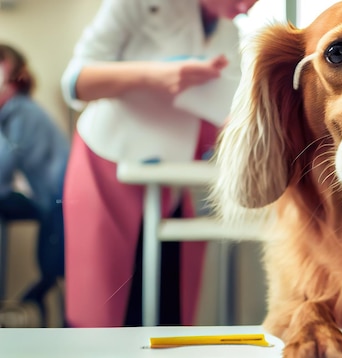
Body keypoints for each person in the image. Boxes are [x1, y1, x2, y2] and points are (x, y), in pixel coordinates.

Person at [60, 0, 258, 327]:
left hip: (172, 179)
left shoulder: (229, 33)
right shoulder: (133, 4)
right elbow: (74, 82)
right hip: (107, 163)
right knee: (101, 314)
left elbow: (229, 111)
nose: (246, 7)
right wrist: (155, 75)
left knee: (169, 305)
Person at [0, 43, 69, 327]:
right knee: (52, 277)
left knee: (52, 275)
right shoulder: (21, 111)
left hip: (58, 204)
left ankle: (24, 309)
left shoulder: (20, 112)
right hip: (54, 202)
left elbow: (2, 168)